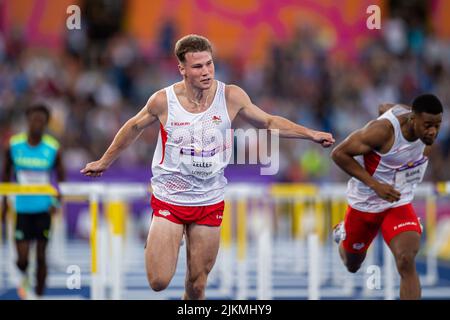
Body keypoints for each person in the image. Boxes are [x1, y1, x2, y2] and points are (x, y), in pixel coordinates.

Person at [81, 34, 335, 300]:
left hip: (209, 200)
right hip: (171, 199)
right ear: (182, 69)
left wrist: (310, 133)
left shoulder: (230, 96)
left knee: (198, 284)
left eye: (209, 64)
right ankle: (163, 239)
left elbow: (269, 123)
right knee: (158, 281)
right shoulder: (163, 101)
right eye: (198, 66)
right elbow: (133, 127)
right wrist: (104, 161)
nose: (206, 72)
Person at [331, 94, 443, 300]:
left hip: (398, 201)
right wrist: (375, 185)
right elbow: (338, 154)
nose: (433, 132)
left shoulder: (414, 117)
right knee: (352, 264)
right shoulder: (382, 132)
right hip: (365, 202)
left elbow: (384, 106)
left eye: (438, 125)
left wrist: (390, 111)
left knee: (406, 259)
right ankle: (343, 231)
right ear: (413, 119)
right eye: (428, 125)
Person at [1, 103, 65, 299]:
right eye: (34, 119)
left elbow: (61, 179)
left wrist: (56, 203)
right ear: (27, 120)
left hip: (43, 209)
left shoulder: (52, 148)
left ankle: (39, 294)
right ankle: (25, 276)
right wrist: (4, 203)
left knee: (41, 256)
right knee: (22, 260)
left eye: (41, 120)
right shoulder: (14, 146)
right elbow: (5, 176)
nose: (37, 123)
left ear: (46, 123)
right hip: (21, 208)